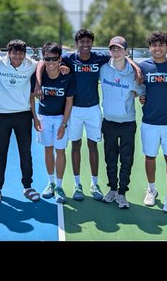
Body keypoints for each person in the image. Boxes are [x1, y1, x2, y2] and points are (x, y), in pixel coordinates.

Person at [41, 29, 142, 202]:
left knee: (92, 145)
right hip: (75, 110)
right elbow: (44, 62)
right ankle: (77, 184)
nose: (85, 45)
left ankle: (94, 184)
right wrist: (38, 82)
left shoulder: (99, 58)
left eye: (88, 42)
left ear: (92, 43)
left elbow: (121, 56)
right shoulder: (69, 59)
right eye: (82, 42)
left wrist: (137, 68)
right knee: (75, 145)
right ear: (77, 44)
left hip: (93, 108)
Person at [136, 31, 167, 212]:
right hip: (150, 121)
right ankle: (151, 189)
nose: (158, 48)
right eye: (154, 45)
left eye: (161, 45)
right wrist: (142, 95)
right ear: (149, 47)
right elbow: (140, 86)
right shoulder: (144, 66)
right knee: (150, 157)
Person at [0, 39, 40, 202]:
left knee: (25, 152)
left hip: (23, 115)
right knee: (0, 153)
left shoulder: (31, 64)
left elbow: (43, 63)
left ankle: (28, 186)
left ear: (25, 54)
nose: (18, 56)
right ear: (8, 53)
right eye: (14, 53)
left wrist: (38, 82)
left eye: (21, 53)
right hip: (2, 115)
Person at [99, 36, 145, 209]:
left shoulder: (135, 72)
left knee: (126, 159)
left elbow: (141, 91)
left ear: (126, 51)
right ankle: (112, 189)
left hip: (127, 122)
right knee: (110, 158)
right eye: (113, 49)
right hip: (109, 122)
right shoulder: (103, 69)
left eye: (119, 49)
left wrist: (138, 94)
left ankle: (122, 193)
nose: (116, 52)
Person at [30, 42, 76, 202]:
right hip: (44, 117)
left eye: (54, 59)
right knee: (48, 149)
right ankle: (50, 183)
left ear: (60, 59)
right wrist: (35, 118)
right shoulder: (39, 75)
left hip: (60, 118)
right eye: (47, 59)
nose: (50, 62)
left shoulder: (67, 77)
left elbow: (69, 101)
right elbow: (31, 97)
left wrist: (64, 124)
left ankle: (59, 186)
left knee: (60, 150)